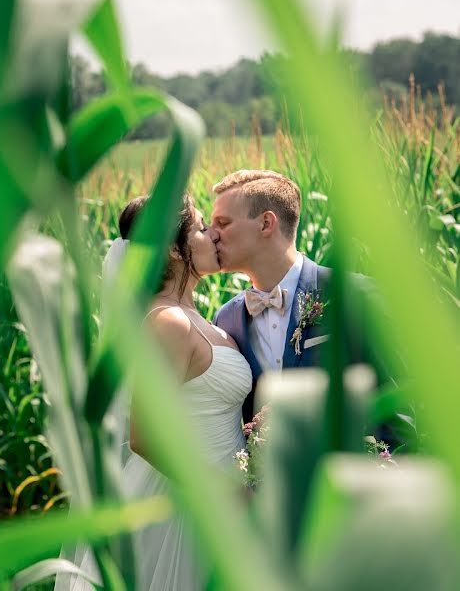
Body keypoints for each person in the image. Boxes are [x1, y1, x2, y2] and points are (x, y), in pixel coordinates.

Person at [57, 194, 251, 591]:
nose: (212, 234)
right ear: (172, 250)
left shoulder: (197, 318)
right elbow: (144, 437)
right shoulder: (168, 323)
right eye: (200, 227)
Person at [209, 170, 333, 424]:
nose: (212, 235)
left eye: (223, 223)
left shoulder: (349, 294)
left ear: (266, 223)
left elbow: (394, 412)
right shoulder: (226, 320)